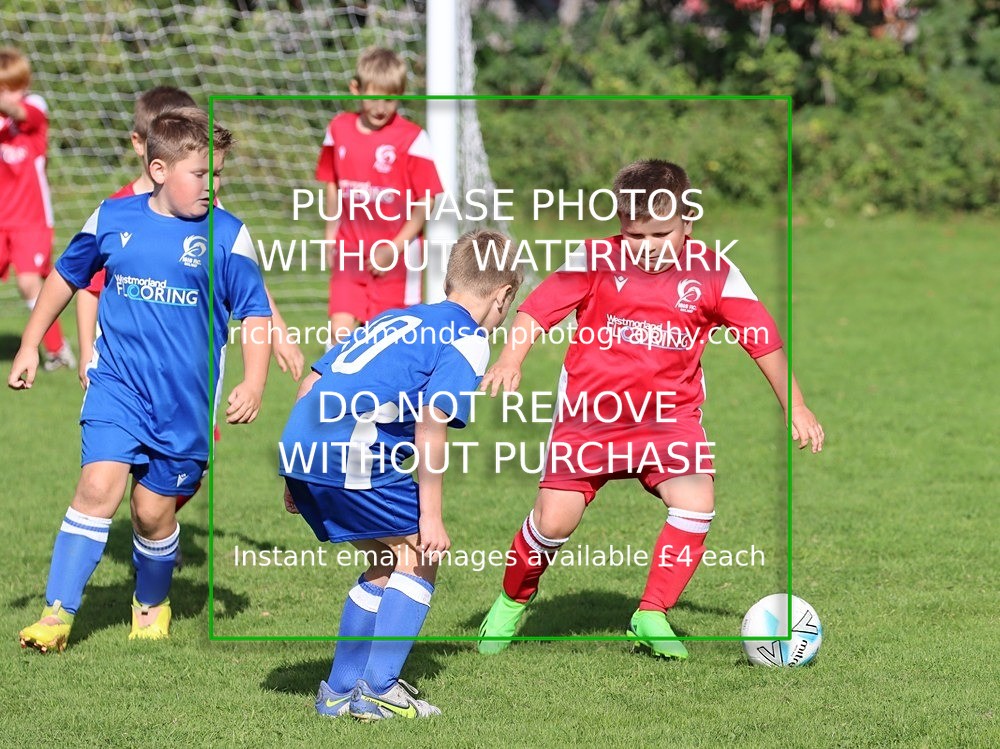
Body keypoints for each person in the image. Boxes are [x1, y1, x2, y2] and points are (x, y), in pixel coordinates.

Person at [477, 159, 825, 659]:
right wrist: (511, 356)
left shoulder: (714, 271)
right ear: (621, 225)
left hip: (668, 417)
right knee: (554, 523)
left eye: (662, 234)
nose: (648, 247)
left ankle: (651, 613)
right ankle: (512, 601)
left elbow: (760, 338)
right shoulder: (595, 258)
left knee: (696, 502)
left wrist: (796, 405)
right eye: (635, 235)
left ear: (688, 223)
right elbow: (537, 309)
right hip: (591, 415)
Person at [10, 107, 273, 652]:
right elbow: (65, 277)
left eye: (218, 175)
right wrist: (31, 343)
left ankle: (150, 602)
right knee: (97, 488)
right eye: (201, 175)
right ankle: (56, 615)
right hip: (117, 387)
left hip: (184, 407)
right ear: (157, 169)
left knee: (152, 515)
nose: (212, 186)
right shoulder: (112, 217)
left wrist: (254, 382)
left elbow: (256, 315)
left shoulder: (229, 236)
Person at [279, 229, 522, 719]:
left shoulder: (397, 317)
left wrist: (293, 474)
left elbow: (310, 382)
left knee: (385, 562)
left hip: (301, 445)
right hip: (349, 449)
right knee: (417, 555)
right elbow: (432, 424)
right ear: (503, 296)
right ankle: (377, 689)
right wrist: (430, 517)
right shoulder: (468, 338)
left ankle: (339, 693)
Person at [77, 86, 304, 392]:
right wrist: (85, 352)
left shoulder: (207, 208)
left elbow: (245, 278)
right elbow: (88, 287)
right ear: (141, 144)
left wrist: (279, 332)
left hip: (191, 371)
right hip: (127, 372)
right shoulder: (116, 214)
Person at [316, 46, 443, 344]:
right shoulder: (338, 129)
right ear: (355, 88)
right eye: (373, 96)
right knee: (339, 334)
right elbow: (333, 183)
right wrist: (330, 234)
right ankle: (335, 391)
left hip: (397, 258)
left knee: (388, 343)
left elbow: (427, 201)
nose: (381, 106)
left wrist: (394, 248)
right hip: (350, 251)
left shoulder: (413, 139)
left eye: (390, 98)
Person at [0, 47, 74, 371]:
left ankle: (57, 350)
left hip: (31, 219)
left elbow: (18, 112)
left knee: (29, 283)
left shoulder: (34, 106)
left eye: (13, 86)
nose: (9, 93)